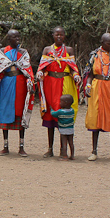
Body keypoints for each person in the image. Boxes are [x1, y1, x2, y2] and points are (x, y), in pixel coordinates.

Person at [36, 27, 81, 158]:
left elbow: (72, 67)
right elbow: (42, 66)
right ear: (53, 36)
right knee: (50, 115)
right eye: (57, 35)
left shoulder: (69, 50)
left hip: (65, 83)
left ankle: (63, 149)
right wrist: (39, 72)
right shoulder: (47, 50)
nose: (59, 37)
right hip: (50, 84)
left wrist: (76, 75)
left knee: (63, 116)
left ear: (65, 36)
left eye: (61, 35)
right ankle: (50, 148)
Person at [0, 29, 34, 157]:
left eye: (18, 37)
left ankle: (21, 146)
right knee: (4, 111)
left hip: (20, 84)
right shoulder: (3, 52)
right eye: (14, 37)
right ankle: (5, 146)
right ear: (8, 39)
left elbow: (28, 69)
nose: (17, 39)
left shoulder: (24, 53)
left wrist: (30, 82)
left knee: (20, 112)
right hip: (6, 83)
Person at [84, 33, 110, 162]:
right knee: (95, 117)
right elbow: (90, 73)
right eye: (108, 43)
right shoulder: (94, 55)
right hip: (97, 87)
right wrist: (88, 85)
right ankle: (94, 151)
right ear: (102, 42)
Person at [50, 94, 76, 159]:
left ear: (66, 103)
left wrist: (51, 109)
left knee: (64, 143)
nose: (60, 103)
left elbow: (53, 114)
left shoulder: (60, 112)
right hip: (71, 129)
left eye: (61, 101)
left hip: (63, 129)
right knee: (71, 143)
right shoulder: (72, 111)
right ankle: (72, 155)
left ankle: (64, 156)